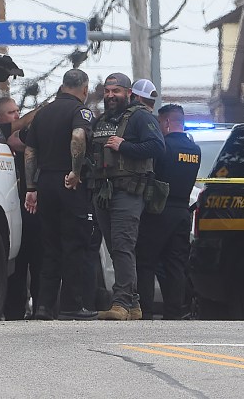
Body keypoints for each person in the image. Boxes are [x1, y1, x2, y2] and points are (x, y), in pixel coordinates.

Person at [90, 73, 165, 320]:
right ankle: (133, 305)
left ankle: (120, 303)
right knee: (115, 248)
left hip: (128, 192)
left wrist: (125, 146)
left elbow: (157, 146)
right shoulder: (102, 120)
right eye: (107, 91)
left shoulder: (140, 117)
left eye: (117, 91)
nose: (111, 95)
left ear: (129, 93)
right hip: (103, 192)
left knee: (123, 245)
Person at [24, 68, 97, 321]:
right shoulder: (81, 112)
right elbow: (78, 136)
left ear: (63, 85)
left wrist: (31, 187)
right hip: (69, 184)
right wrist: (76, 171)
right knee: (75, 244)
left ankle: (44, 306)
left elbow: (30, 152)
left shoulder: (43, 113)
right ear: (84, 89)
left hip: (45, 183)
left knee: (50, 247)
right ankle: (71, 305)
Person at [135, 103, 200, 320]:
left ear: (168, 122)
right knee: (175, 264)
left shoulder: (163, 147)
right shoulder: (195, 150)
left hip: (159, 211)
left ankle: (145, 311)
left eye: (160, 123)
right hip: (183, 213)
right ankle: (174, 312)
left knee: (146, 262)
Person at [0, 97, 43, 320]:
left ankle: (40, 307)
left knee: (38, 259)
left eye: (18, 111)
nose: (17, 116)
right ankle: (13, 311)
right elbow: (13, 138)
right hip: (6, 214)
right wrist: (34, 114)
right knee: (15, 266)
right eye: (11, 112)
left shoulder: (25, 142)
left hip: (29, 211)